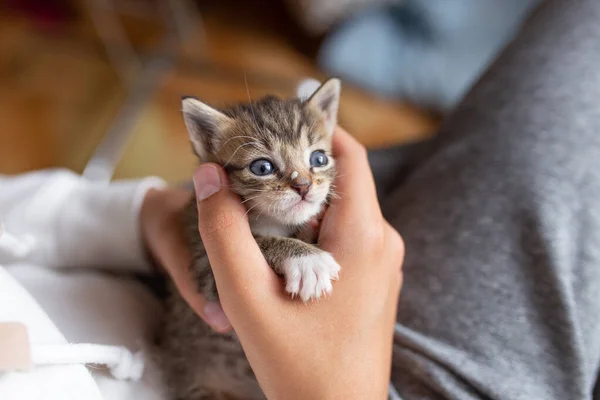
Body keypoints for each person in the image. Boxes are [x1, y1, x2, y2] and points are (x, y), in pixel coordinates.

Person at [2, 0, 600, 398]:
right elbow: (225, 287)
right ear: (207, 143)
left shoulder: (292, 188)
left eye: (315, 161)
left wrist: (139, 216)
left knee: (468, 146)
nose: (304, 184)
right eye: (265, 167)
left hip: (159, 275)